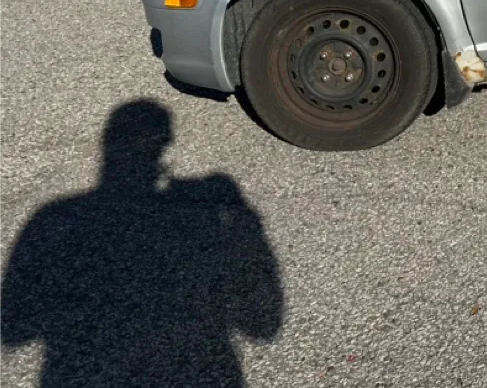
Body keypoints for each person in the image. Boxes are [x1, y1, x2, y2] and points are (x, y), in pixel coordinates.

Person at [0, 100, 284, 387]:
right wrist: (242, 225)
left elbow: (16, 329)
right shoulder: (200, 218)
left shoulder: (54, 219)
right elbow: (262, 326)